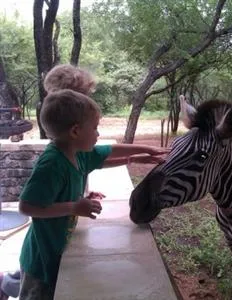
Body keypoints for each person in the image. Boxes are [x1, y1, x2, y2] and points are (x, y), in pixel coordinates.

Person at [18, 89, 168, 300]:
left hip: (57, 250)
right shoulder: (52, 164)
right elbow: (27, 207)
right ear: (76, 131)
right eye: (95, 128)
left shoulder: (76, 153)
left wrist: (142, 153)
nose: (98, 134)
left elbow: (109, 153)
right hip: (40, 261)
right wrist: (74, 207)